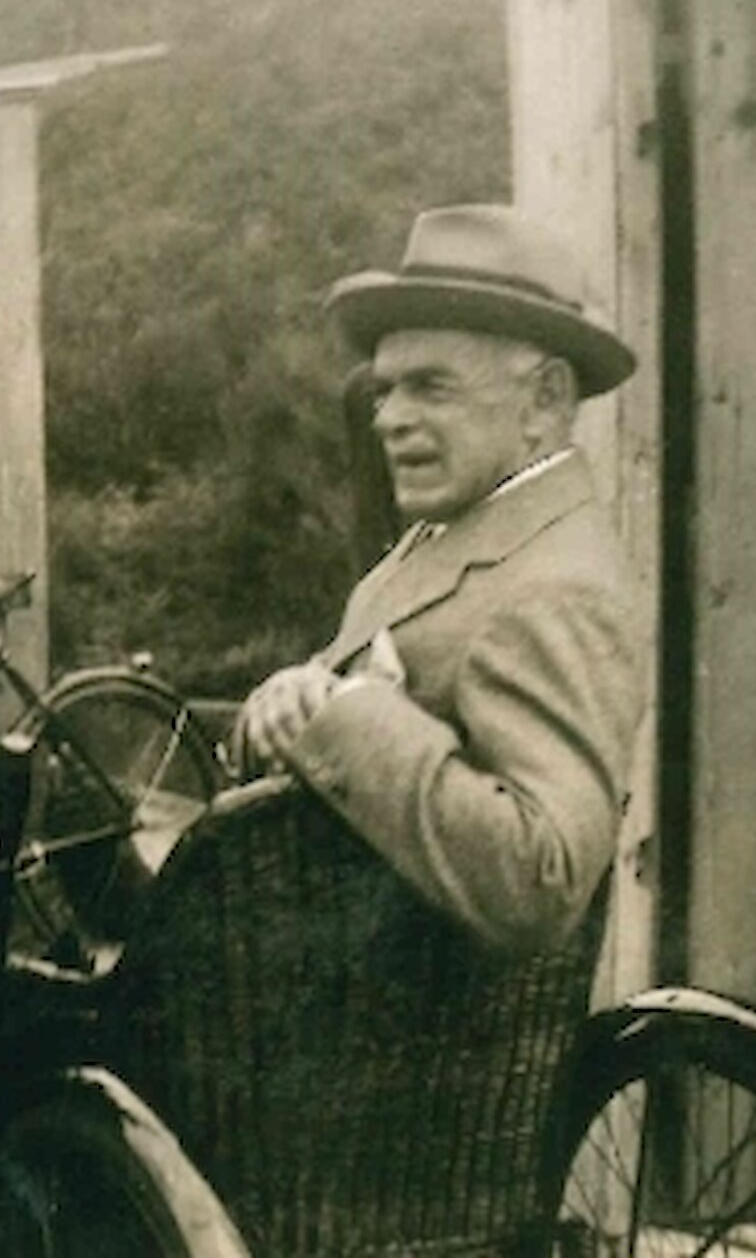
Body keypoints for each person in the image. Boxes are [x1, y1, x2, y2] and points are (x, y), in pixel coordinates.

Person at [234, 203, 647, 954]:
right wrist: (292, 700)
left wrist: (349, 713)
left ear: (546, 400)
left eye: (430, 387)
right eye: (385, 389)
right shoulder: (455, 532)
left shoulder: (557, 588)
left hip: (404, 1045)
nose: (388, 418)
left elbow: (542, 879)